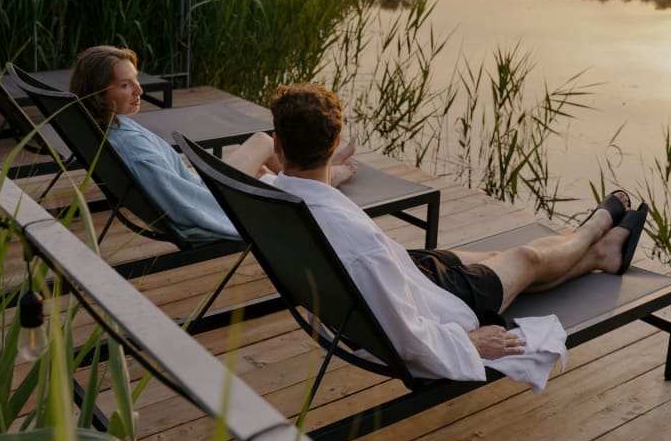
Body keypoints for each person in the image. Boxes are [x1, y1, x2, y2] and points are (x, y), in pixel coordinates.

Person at [261, 82, 649, 389]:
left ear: (277, 145)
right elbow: (407, 333)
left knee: (496, 257)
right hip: (434, 298)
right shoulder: (359, 249)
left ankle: (603, 255)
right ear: (334, 144)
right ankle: (597, 230)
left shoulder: (274, 200)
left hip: (413, 272)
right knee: (527, 260)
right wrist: (470, 343)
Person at [68, 46, 357, 244]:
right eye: (125, 85)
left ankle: (323, 169)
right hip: (213, 201)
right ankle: (326, 175)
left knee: (262, 156)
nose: (139, 90)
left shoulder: (107, 129)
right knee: (264, 143)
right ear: (98, 94)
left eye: (136, 81)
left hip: (202, 187)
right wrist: (237, 202)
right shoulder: (135, 151)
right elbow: (186, 207)